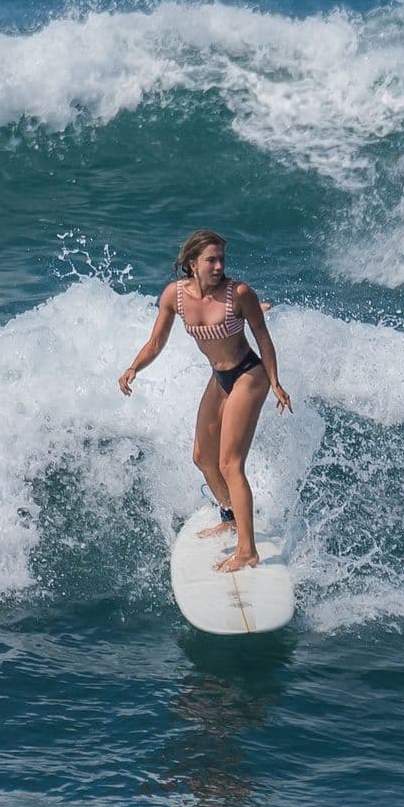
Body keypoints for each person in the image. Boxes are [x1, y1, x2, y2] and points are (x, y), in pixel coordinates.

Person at [118, 230, 292, 572]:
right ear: (191, 263)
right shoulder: (175, 296)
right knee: (202, 457)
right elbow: (156, 342)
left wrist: (274, 381)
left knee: (230, 464)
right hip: (219, 377)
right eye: (211, 260)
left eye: (221, 259)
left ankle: (247, 551)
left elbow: (262, 338)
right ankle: (231, 516)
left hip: (248, 374)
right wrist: (133, 367)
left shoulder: (238, 294)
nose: (219, 266)